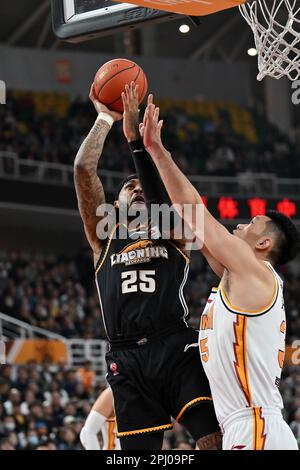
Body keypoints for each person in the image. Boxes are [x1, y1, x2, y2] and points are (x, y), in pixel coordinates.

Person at [139, 95, 300, 450]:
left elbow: (194, 209)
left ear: (263, 246)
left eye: (252, 223)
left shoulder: (256, 272)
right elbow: (189, 222)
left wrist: (156, 150)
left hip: (256, 426)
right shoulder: (238, 276)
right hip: (246, 426)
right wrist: (140, 150)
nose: (241, 224)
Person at [74, 84, 221, 450]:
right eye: (128, 187)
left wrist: (139, 145)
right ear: (117, 203)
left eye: (142, 186)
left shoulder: (173, 231)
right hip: (125, 357)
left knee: (212, 437)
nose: (136, 189)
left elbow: (163, 204)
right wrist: (105, 119)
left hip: (172, 344)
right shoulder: (102, 238)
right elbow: (82, 169)